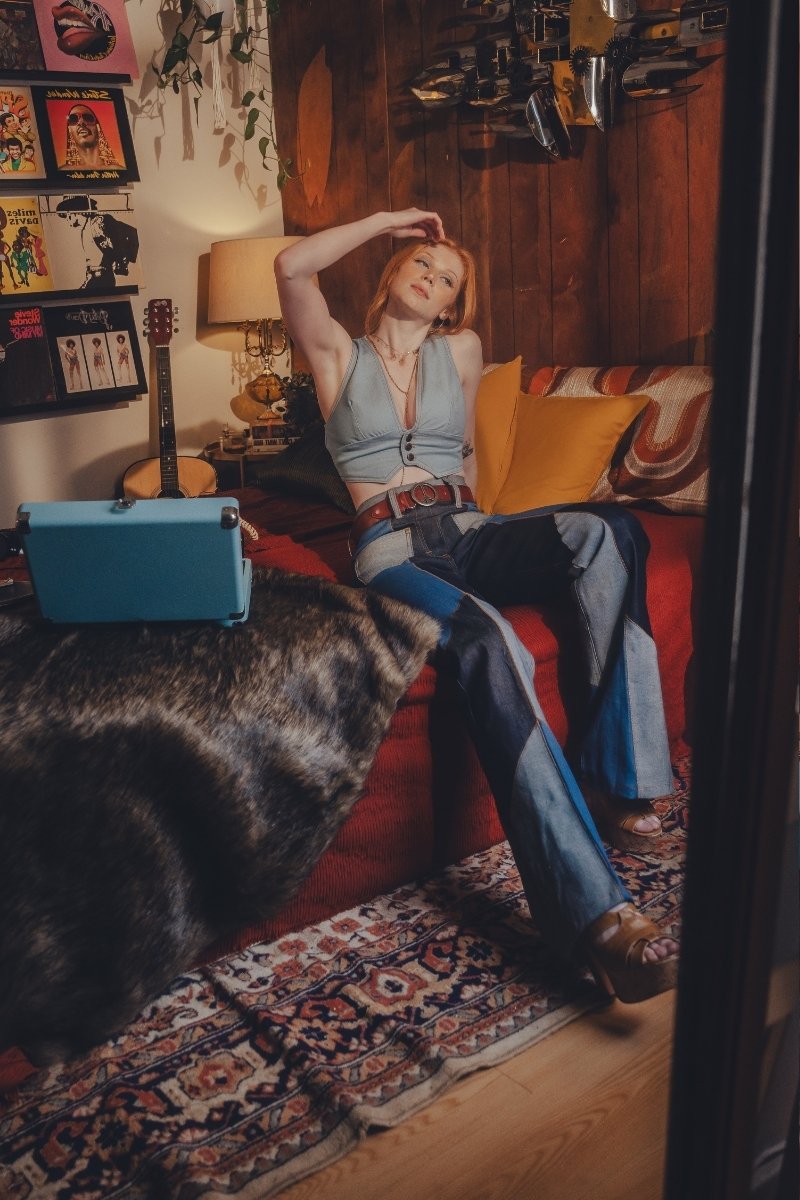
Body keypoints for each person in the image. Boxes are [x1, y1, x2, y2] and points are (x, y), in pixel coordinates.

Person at [275, 208, 680, 1004]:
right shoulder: (335, 355)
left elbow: (465, 460)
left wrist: (501, 541)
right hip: (389, 548)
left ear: (452, 310)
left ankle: (622, 778)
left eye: (448, 277)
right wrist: (391, 220)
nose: (431, 275)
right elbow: (292, 266)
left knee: (610, 532)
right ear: (392, 272)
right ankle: (595, 918)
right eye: (420, 262)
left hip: (468, 525)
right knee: (491, 640)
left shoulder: (459, 351)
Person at [62, 104, 122, 170]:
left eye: (88, 118)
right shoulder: (64, 171)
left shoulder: (117, 170)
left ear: (97, 126)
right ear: (69, 130)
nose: (81, 122)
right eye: (73, 119)